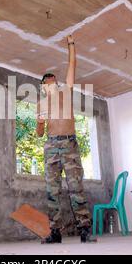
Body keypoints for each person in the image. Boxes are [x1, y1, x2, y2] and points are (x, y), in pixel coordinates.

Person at [36, 35, 96, 244]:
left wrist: (71, 44)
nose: (51, 81)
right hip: (51, 145)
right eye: (47, 80)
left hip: (69, 144)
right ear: (43, 86)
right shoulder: (41, 104)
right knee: (52, 191)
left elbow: (72, 64)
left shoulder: (65, 93)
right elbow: (39, 133)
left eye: (53, 79)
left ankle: (85, 230)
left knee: (75, 188)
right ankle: (55, 232)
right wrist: (40, 123)